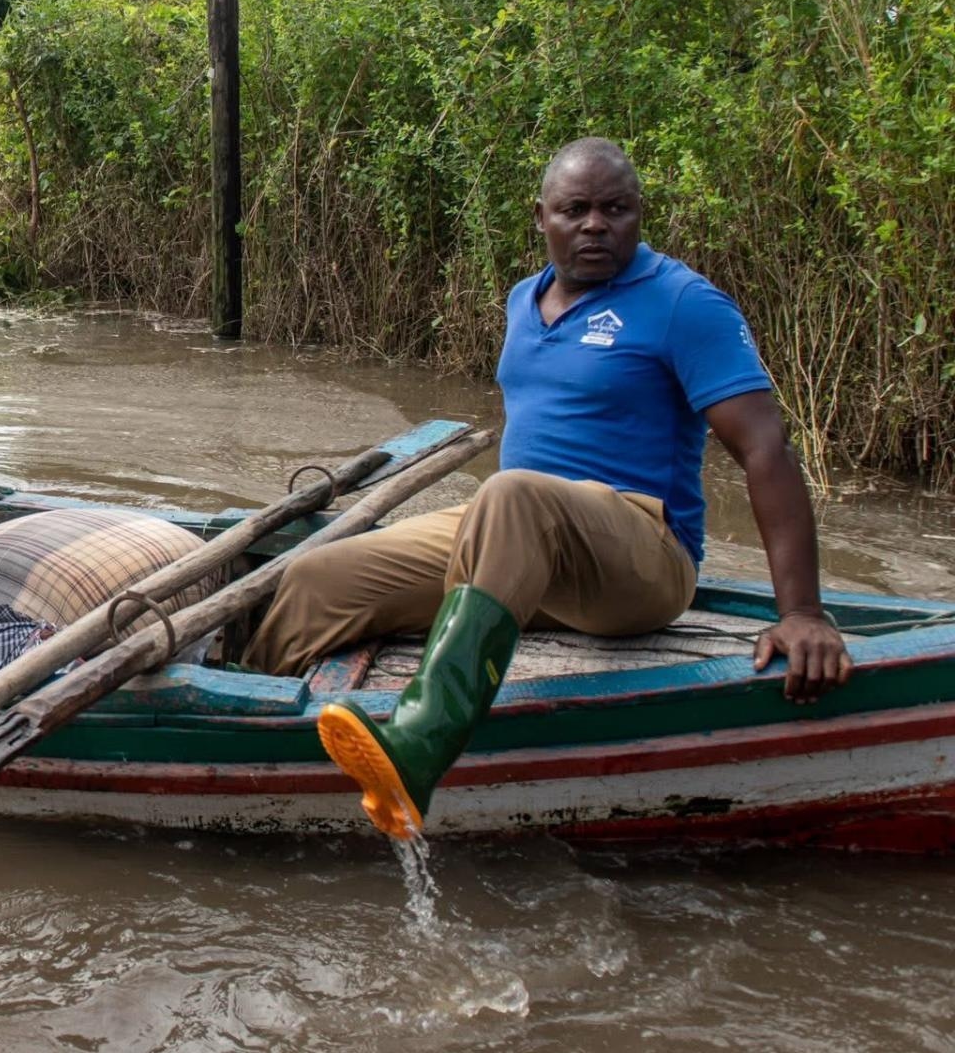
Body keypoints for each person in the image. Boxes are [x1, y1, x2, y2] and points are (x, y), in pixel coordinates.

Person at [243, 138, 853, 839]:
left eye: (615, 210)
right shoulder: (523, 300)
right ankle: (247, 723)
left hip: (640, 553)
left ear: (639, 215)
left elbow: (765, 449)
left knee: (511, 494)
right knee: (320, 575)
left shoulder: (685, 305)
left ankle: (420, 744)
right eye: (577, 210)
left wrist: (802, 611)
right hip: (517, 535)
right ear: (543, 218)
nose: (596, 224)